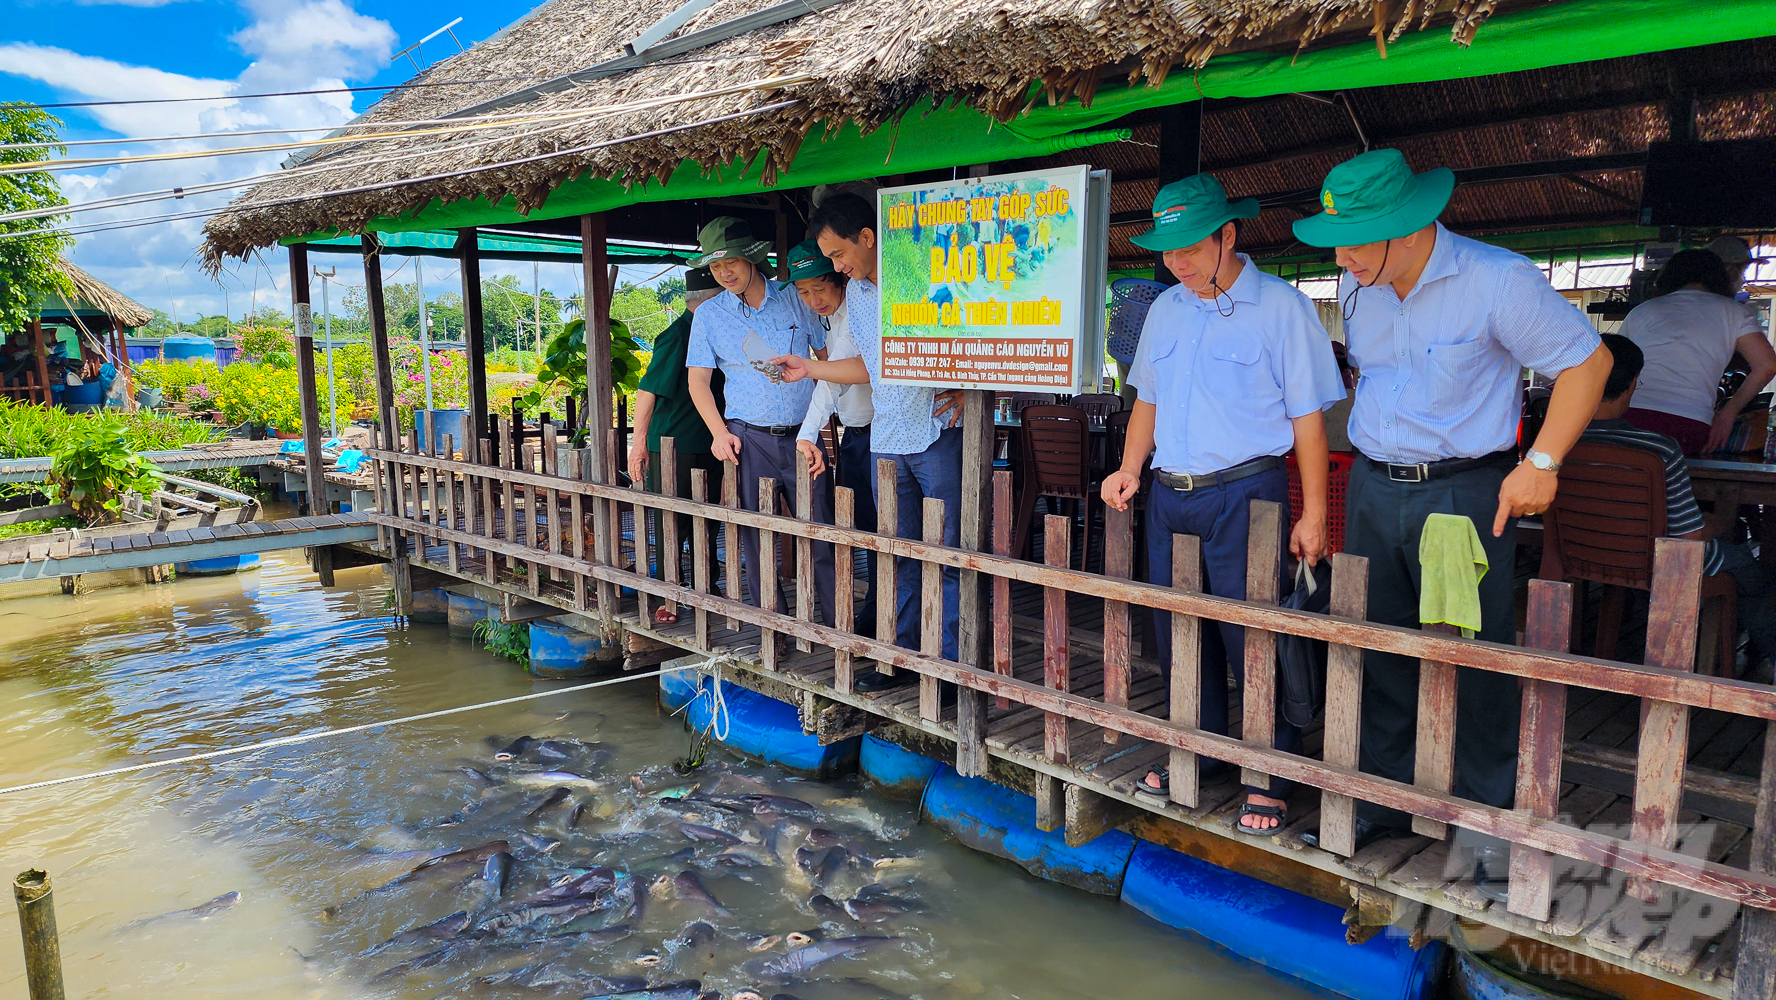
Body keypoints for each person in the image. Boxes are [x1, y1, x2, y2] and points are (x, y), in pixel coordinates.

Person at [1289, 148, 1612, 900]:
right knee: (1382, 648)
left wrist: (1545, 461)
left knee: (1479, 656)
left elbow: (1587, 365)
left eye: (1356, 239)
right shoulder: (1358, 285)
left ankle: (1489, 823)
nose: (1341, 257)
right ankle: (1383, 801)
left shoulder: (1496, 280)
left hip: (1462, 492)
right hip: (1373, 486)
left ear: (1408, 227)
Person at [1102, 173, 1347, 833]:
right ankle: (1199, 750)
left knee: (1253, 634)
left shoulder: (1282, 308)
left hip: (1248, 492)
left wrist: (1316, 512)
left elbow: (1308, 420)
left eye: (1189, 246)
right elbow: (1145, 398)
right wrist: (1130, 468)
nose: (1175, 261)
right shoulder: (1165, 309)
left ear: (1227, 235)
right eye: (1167, 249)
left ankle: (1269, 775)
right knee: (1180, 631)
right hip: (1170, 493)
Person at [771, 192, 964, 692]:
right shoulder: (858, 295)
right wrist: (810, 368)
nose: (837, 267)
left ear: (867, 238)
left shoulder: (925, 277)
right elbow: (870, 368)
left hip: (937, 433)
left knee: (946, 554)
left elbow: (977, 337)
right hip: (887, 437)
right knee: (895, 550)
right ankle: (899, 656)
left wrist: (969, 385)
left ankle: (947, 666)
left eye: (838, 255)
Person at [1579, 334, 1776, 669]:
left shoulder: (1559, 444)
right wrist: (1715, 524)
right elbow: (1689, 537)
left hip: (1587, 552)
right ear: (1631, 385)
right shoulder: (1659, 449)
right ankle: (1731, 659)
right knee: (1757, 575)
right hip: (1658, 560)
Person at [683, 217, 839, 635]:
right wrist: (719, 433)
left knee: (820, 531)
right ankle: (775, 628)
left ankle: (836, 625)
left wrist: (823, 426)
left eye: (731, 262)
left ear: (752, 258)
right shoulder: (710, 316)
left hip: (804, 436)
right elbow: (697, 380)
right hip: (748, 437)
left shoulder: (795, 299)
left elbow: (825, 359)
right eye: (715, 268)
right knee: (758, 535)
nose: (725, 273)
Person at [786, 238, 879, 637]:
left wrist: (807, 432)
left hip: (883, 435)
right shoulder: (826, 322)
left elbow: (828, 381)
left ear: (840, 279)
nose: (814, 299)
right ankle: (877, 611)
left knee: (885, 533)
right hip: (856, 437)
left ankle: (879, 616)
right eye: (804, 293)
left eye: (820, 289)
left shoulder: (858, 312)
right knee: (865, 529)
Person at [628, 267, 725, 623]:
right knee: (673, 521)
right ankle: (669, 594)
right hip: (674, 443)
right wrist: (639, 445)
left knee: (708, 520)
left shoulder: (716, 331)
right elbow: (647, 390)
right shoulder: (677, 334)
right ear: (707, 301)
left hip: (710, 442)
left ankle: (706, 586)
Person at [1618, 248, 1776, 455]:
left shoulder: (1642, 311)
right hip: (1688, 422)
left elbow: (1614, 364)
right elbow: (1767, 366)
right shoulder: (1735, 312)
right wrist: (1727, 414)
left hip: (1629, 417)